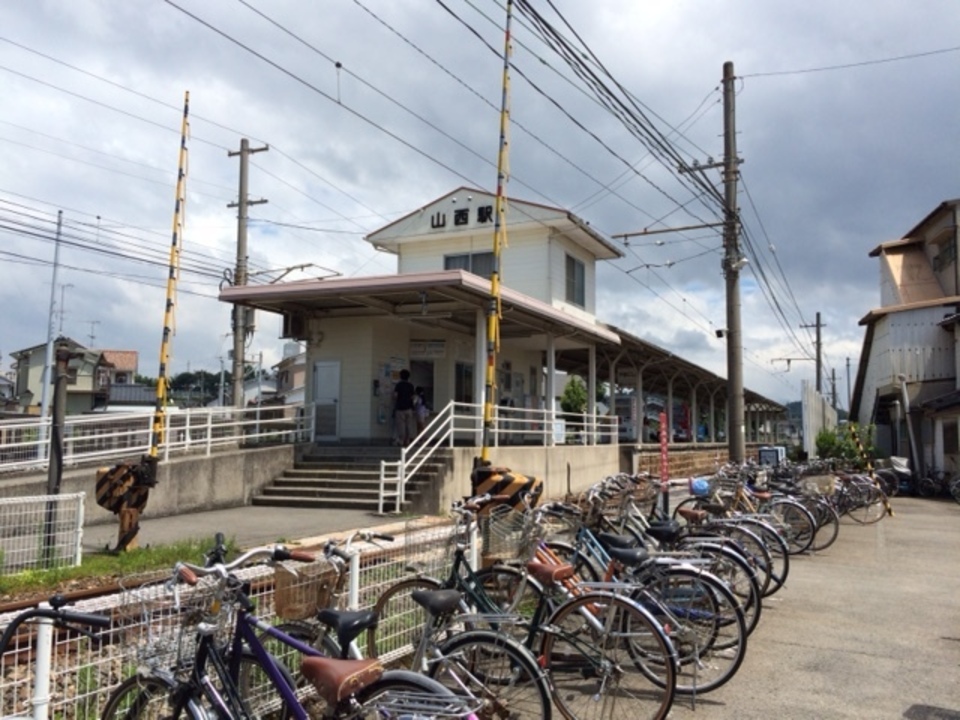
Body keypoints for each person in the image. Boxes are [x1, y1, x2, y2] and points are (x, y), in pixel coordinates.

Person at [393, 369, 416, 446]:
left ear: (400, 376)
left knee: (401, 425)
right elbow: (413, 397)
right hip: (409, 408)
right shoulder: (411, 385)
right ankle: (408, 440)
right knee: (409, 425)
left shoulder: (398, 385)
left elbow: (395, 396)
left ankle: (401, 440)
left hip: (400, 407)